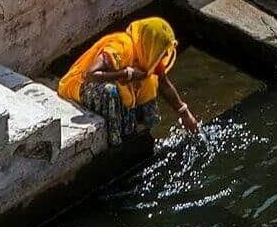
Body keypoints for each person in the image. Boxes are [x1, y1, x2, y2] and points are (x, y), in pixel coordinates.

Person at [57, 16, 201, 141]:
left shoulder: (148, 57)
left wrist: (185, 114)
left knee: (150, 81)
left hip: (110, 81)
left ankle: (146, 131)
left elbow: (164, 83)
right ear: (150, 44)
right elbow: (90, 75)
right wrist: (126, 74)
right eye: (161, 52)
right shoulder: (122, 46)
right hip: (79, 84)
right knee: (111, 92)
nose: (163, 57)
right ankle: (117, 142)